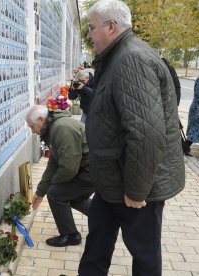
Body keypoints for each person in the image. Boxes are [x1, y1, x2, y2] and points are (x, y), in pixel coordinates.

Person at [78, 1, 185, 275]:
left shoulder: (131, 59)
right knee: (96, 247)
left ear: (111, 27)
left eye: (92, 28)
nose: (89, 35)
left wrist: (136, 191)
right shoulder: (117, 56)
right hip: (111, 181)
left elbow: (146, 133)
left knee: (144, 256)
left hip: (136, 188)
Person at [26, 105, 94, 247]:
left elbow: (69, 168)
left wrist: (53, 186)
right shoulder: (54, 127)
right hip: (89, 168)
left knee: (56, 194)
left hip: (92, 171)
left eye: (32, 127)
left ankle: (70, 235)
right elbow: (54, 163)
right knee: (73, 196)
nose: (32, 131)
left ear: (40, 120)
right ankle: (104, 217)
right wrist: (40, 192)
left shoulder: (61, 129)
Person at [185, 77, 199, 155]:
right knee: (194, 130)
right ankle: (185, 147)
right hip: (197, 108)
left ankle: (185, 147)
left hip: (196, 107)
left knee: (195, 129)